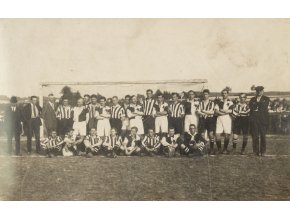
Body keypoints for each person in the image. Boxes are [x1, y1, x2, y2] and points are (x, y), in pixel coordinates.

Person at [249, 86, 270, 156]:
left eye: (260, 91)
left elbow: (263, 107)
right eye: (257, 91)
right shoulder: (252, 99)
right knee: (255, 136)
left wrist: (256, 105)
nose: (259, 92)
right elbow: (251, 108)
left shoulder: (266, 99)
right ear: (256, 91)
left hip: (263, 120)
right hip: (254, 120)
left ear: (263, 91)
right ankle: (255, 151)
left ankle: (263, 151)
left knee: (263, 136)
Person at [214, 88, 234, 154]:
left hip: (227, 119)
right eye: (223, 93)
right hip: (219, 118)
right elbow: (216, 111)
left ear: (228, 94)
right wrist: (224, 112)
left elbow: (231, 111)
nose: (224, 94)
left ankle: (225, 149)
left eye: (225, 93)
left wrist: (222, 110)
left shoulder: (230, 102)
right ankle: (219, 149)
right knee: (217, 134)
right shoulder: (219, 102)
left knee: (227, 134)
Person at [197, 89, 216, 154]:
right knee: (202, 134)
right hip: (202, 119)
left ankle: (212, 149)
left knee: (210, 134)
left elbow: (212, 112)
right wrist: (203, 114)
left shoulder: (212, 103)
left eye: (206, 94)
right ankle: (203, 149)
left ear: (209, 95)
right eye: (204, 94)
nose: (205, 96)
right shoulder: (201, 103)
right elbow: (198, 111)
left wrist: (204, 111)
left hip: (210, 120)